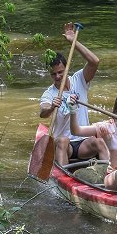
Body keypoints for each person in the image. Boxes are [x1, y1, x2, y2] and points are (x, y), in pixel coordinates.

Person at [40, 22, 109, 166]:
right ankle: (65, 179)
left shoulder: (79, 79)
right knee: (63, 141)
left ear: (67, 68)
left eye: (60, 72)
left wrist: (73, 42)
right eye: (54, 74)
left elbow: (94, 61)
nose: (58, 76)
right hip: (64, 146)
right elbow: (43, 113)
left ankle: (109, 175)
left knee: (100, 142)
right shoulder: (49, 93)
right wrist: (52, 107)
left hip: (83, 142)